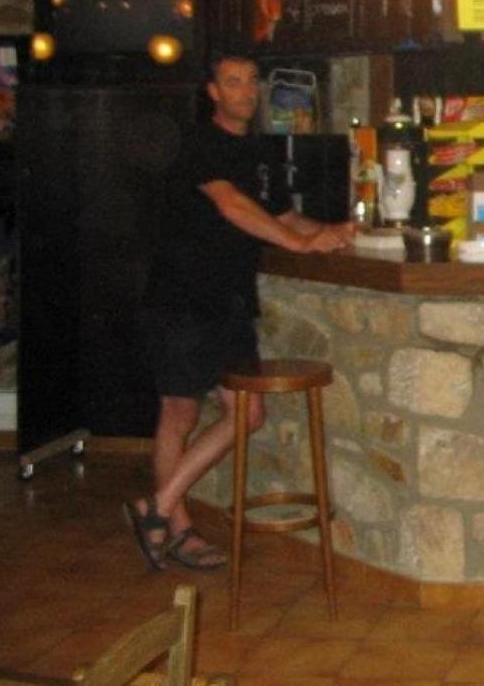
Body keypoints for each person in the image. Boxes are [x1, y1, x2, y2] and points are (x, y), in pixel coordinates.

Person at [124, 50, 355, 571]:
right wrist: (298, 245)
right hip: (181, 298)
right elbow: (231, 205)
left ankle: (156, 507)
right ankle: (177, 529)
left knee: (247, 414)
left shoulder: (258, 150)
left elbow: (282, 215)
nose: (247, 92)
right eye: (233, 82)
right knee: (179, 413)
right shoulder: (198, 143)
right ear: (213, 92)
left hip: (228, 301)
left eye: (252, 82)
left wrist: (329, 233)